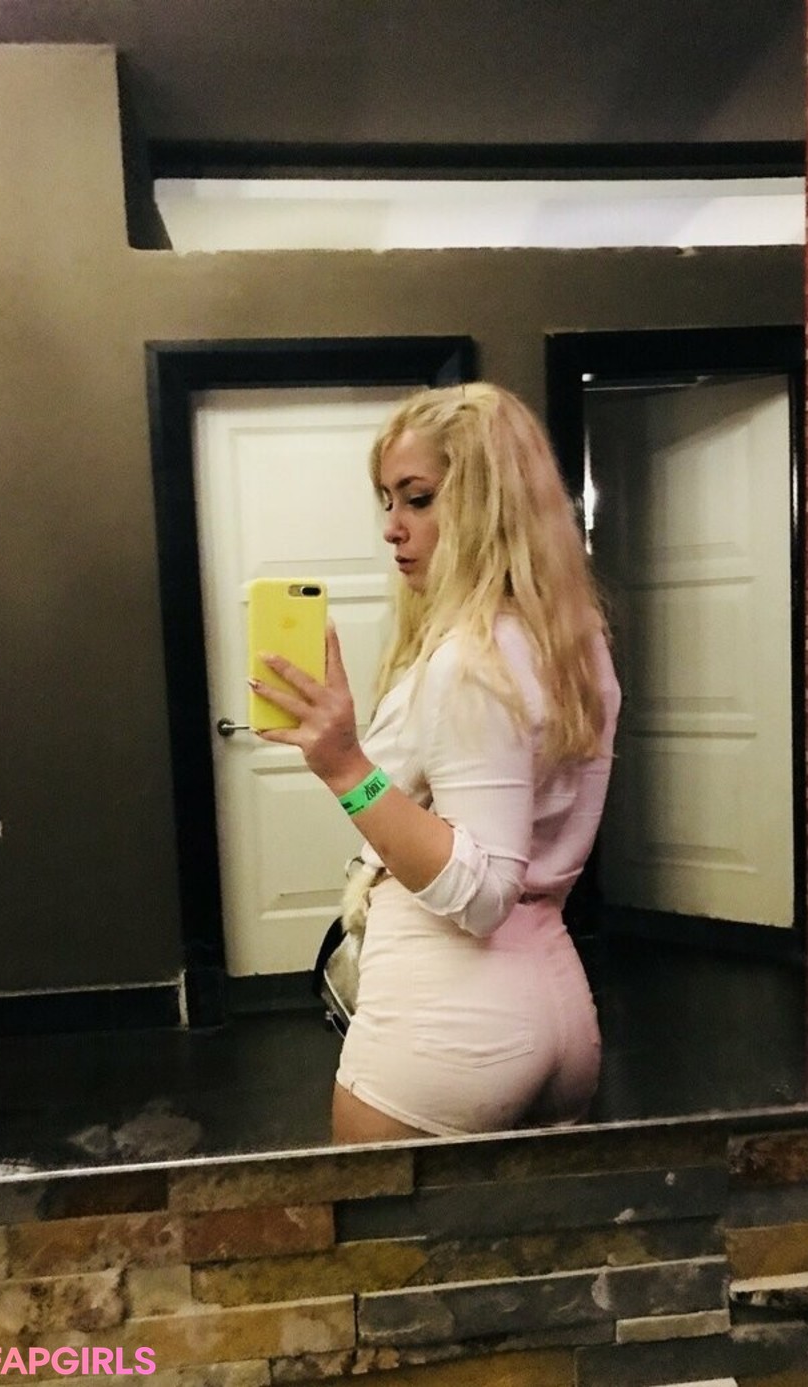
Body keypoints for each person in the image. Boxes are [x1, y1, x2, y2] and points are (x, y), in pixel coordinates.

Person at [249, 382, 621, 1143]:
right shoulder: (574, 645)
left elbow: (483, 893)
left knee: (374, 1223)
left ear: (490, 504)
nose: (392, 527)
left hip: (450, 1019)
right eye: (387, 500)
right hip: (554, 1000)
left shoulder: (472, 662)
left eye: (417, 499)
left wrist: (347, 768)